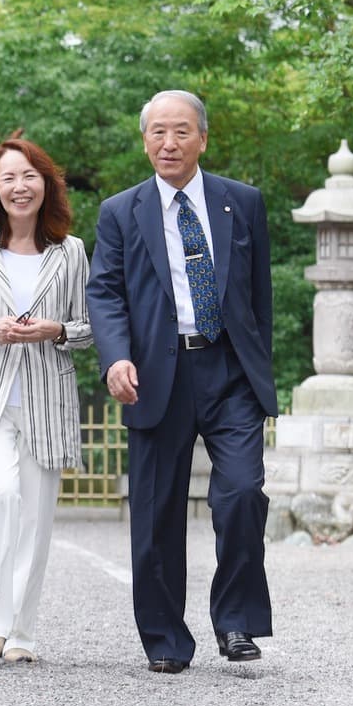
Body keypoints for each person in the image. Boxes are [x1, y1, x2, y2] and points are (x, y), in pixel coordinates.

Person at [86, 90, 277, 674]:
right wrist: (116, 358)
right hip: (154, 375)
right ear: (145, 140)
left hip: (227, 371)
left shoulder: (241, 204)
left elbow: (259, 294)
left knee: (242, 492)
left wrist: (256, 365)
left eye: (181, 132)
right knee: (156, 512)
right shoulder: (121, 212)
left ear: (202, 138)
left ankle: (237, 620)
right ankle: (166, 639)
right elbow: (105, 293)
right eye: (158, 133)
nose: (169, 143)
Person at [0, 135, 92, 664]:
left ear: (45, 184)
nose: (18, 186)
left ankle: (22, 633)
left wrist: (55, 329)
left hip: (47, 398)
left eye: (28, 176)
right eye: (8, 177)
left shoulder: (70, 251)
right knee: (0, 495)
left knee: (37, 516)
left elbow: (86, 329)